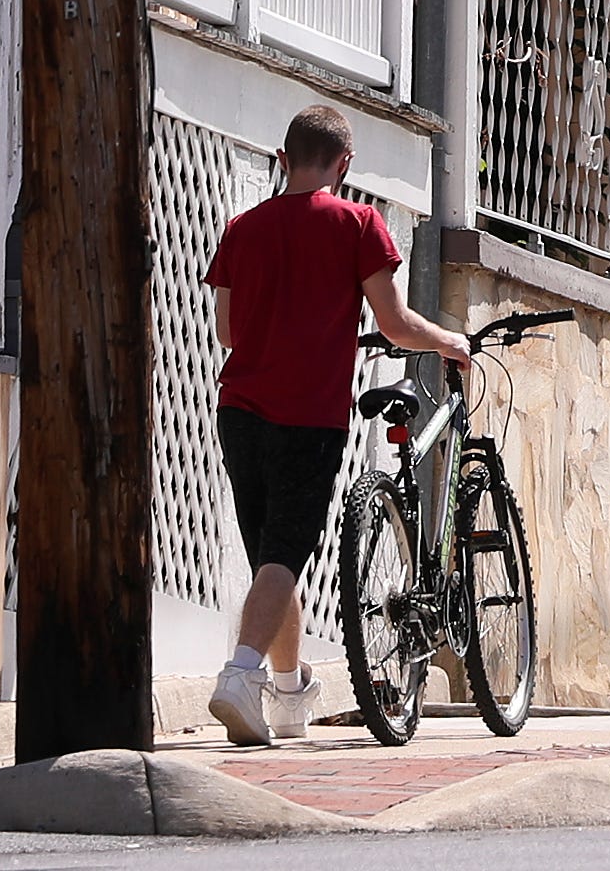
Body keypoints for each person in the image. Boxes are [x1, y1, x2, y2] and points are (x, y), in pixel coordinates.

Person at [205, 104, 466, 746]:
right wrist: (448, 342)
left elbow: (225, 331)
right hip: (307, 417)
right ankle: (240, 675)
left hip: (238, 413)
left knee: (274, 559)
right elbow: (398, 324)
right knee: (286, 555)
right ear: (344, 164)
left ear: (283, 158)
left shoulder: (242, 229)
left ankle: (289, 694)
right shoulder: (358, 224)